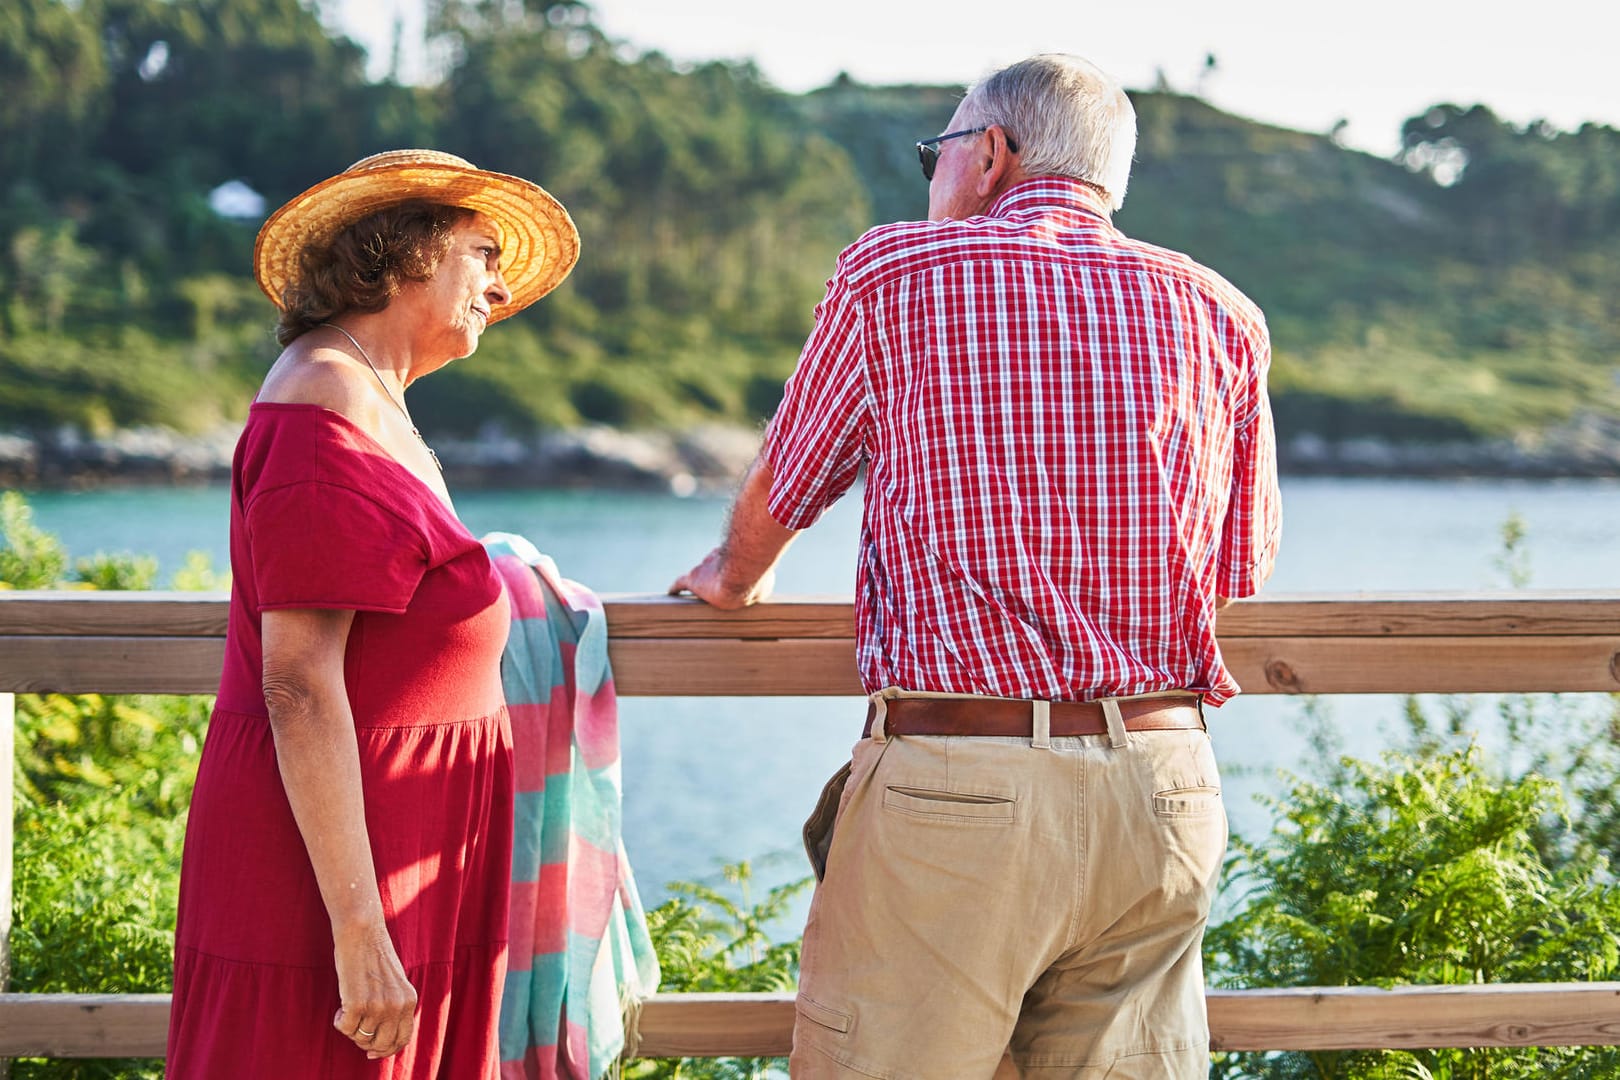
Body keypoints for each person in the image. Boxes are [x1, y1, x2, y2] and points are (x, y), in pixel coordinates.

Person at [670, 54, 1280, 1079]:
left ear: (990, 154)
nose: (933, 177)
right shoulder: (1222, 312)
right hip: (1166, 787)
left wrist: (731, 579)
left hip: (964, 792)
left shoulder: (896, 274)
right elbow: (1237, 563)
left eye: (937, 152)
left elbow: (792, 481)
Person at [167, 149, 579, 1078]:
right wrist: (359, 927)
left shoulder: (375, 401)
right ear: (407, 254)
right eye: (483, 252)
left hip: (401, 845)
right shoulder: (324, 400)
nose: (501, 287)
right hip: (333, 872)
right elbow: (299, 680)